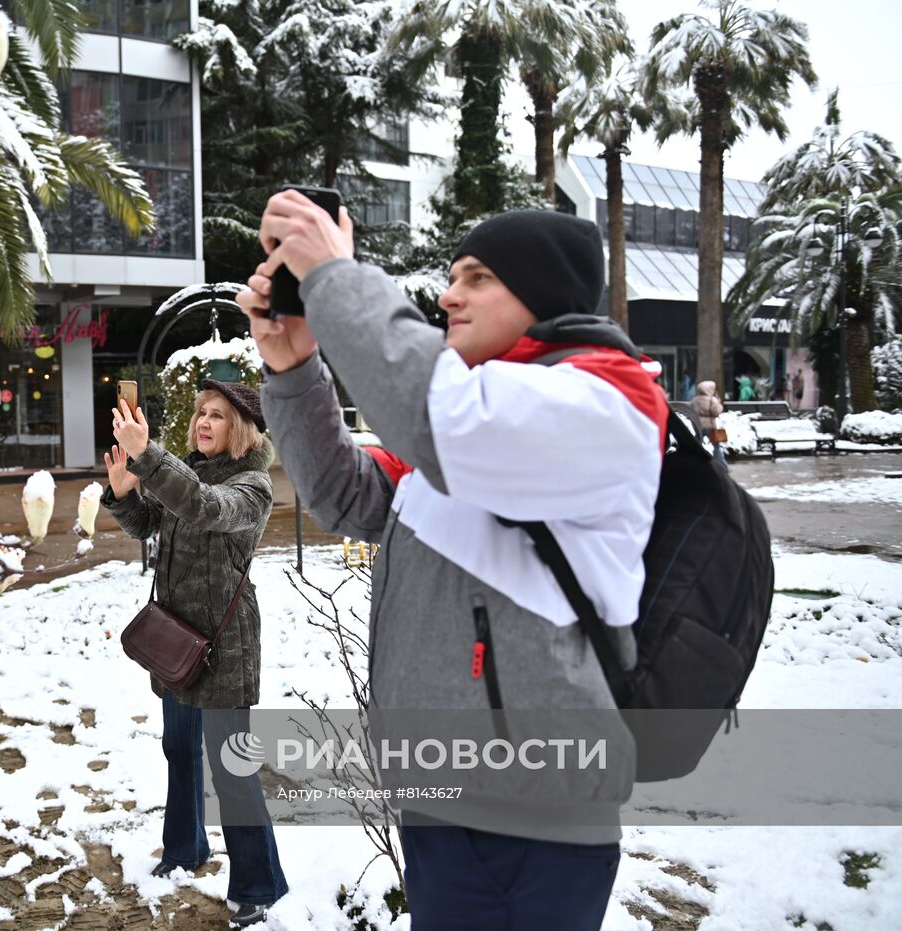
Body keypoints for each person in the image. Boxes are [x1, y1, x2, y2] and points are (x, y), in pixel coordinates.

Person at [240, 198, 667, 930]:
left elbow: (445, 418)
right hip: (446, 799)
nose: (447, 295)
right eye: (450, 275)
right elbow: (348, 494)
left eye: (477, 277)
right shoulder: (476, 412)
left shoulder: (605, 399)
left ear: (542, 295)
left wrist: (339, 277)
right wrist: (294, 365)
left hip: (536, 817)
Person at [101, 382, 287, 928]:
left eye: (218, 416)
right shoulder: (186, 472)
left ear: (242, 429)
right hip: (175, 637)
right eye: (201, 413)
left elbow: (205, 510)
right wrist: (124, 493)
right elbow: (150, 527)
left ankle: (260, 885)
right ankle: (185, 849)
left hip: (224, 648)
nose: (203, 422)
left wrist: (148, 458)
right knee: (179, 750)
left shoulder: (251, 486)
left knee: (231, 770)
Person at [691, 381, 729, 470]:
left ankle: (696, 463)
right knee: (716, 447)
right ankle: (723, 466)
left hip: (698, 425)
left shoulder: (695, 400)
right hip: (710, 426)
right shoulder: (712, 400)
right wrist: (718, 403)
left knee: (698, 445)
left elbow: (691, 410)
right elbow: (717, 412)